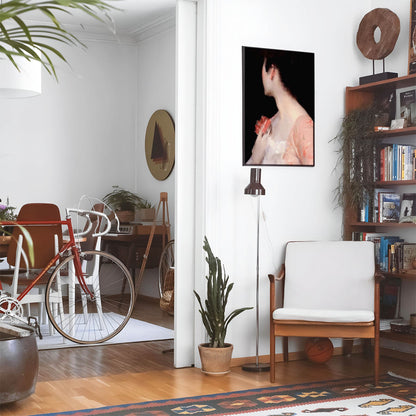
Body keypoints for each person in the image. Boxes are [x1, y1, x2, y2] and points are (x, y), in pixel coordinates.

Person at [247, 52, 314, 165]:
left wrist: (255, 160)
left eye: (263, 68)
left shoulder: (304, 127)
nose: (261, 74)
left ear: (272, 71)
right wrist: (255, 158)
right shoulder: (272, 121)